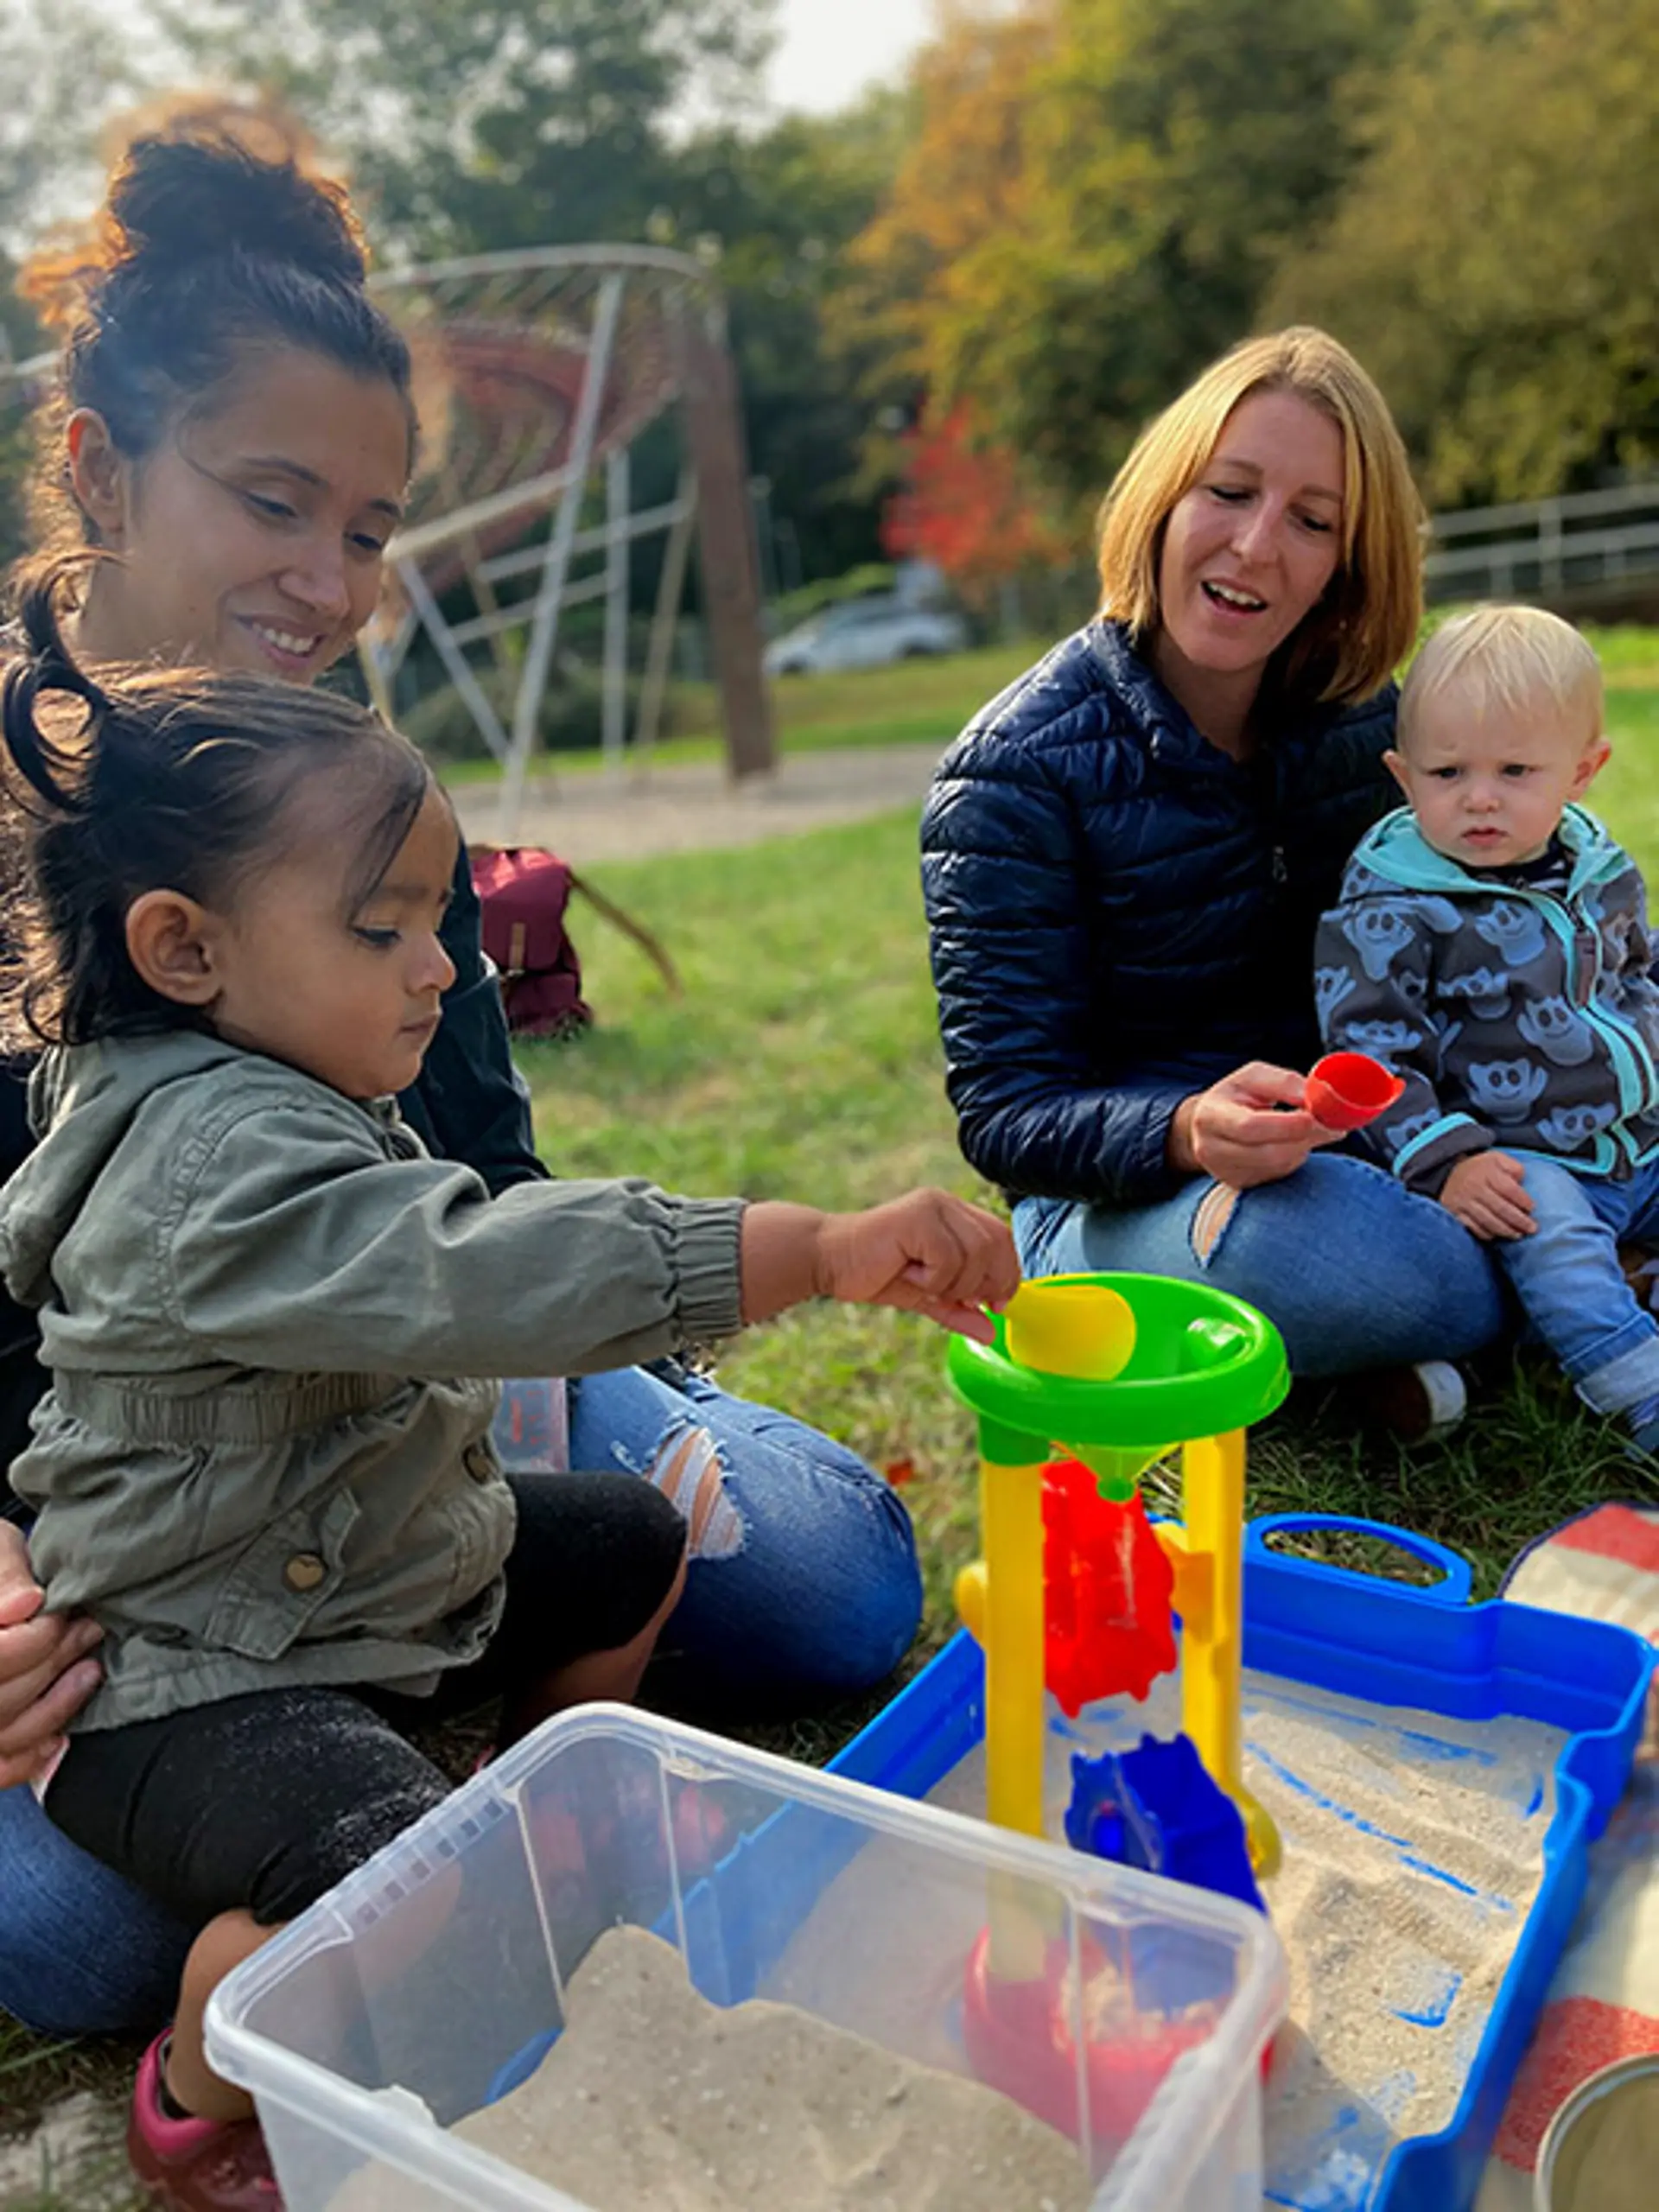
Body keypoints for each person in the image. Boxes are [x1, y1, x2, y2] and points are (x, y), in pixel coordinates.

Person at [0, 106, 927, 2044]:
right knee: (86, 1940)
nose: (328, 581)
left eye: (365, 527)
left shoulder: (348, 779)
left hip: (401, 1364)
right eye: (272, 502)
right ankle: (319, 1923)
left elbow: (476, 1189)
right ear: (99, 467)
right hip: (111, 1514)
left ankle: (493, 1757)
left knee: (837, 1585)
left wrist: (577, 1370)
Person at [0, 573, 1017, 2207]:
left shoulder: (280, 1069)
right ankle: (202, 2074)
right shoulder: (211, 1157)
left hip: (360, 1577)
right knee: (382, 1870)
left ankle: (544, 1802)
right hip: (192, 1681)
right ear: (182, 948)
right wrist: (811, 1245)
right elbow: (483, 1266)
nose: (440, 967)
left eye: (440, 918)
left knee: (621, 1538)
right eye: (382, 928)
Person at [921, 325, 1505, 1417]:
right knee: (1301, 1249)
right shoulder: (1010, 771)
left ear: (1347, 564)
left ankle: (1346, 1370)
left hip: (1384, 1147)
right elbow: (1005, 1110)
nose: (1253, 546)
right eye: (1229, 493)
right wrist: (1185, 1126)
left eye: (1312, 520)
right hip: (1132, 1207)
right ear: (1164, 500)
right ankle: (1561, 1288)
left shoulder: (1373, 726)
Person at [1315, 607, 1659, 1457]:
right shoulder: (1392, 902)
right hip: (1517, 1155)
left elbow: (1635, 977)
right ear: (1402, 774)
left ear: (1582, 772)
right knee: (1559, 1246)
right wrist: (1449, 1158)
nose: (1478, 797)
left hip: (1634, 1137)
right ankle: (1640, 1391)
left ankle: (1547, 1340)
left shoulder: (1599, 866)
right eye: (1447, 771)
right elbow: (1370, 1051)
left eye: (1514, 770)